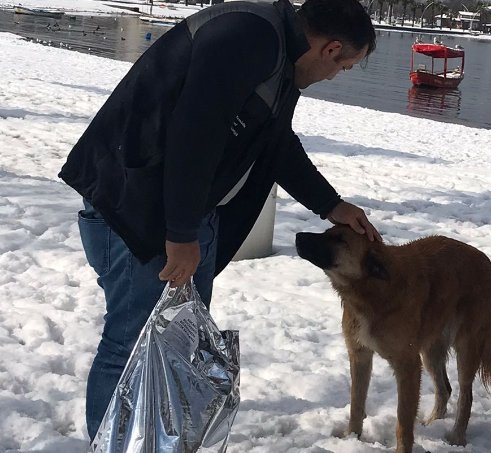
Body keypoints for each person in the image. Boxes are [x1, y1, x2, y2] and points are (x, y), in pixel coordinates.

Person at [58, 0, 381, 440]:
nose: (334, 76)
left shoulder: (280, 58)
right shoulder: (249, 36)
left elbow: (276, 143)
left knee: (175, 345)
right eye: (343, 67)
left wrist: (331, 205)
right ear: (332, 48)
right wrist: (181, 234)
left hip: (184, 214)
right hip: (135, 206)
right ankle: (111, 443)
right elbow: (195, 131)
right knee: (131, 346)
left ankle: (149, 443)